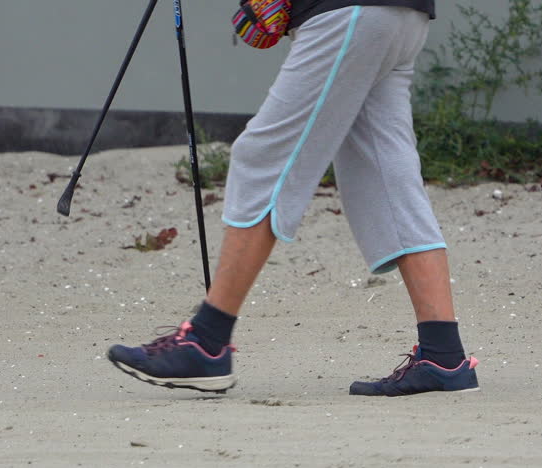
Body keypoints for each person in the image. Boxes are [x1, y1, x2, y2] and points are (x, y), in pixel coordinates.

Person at [108, 0, 478, 397]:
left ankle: (205, 342)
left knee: (262, 158)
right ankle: (443, 355)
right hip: (402, 14)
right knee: (386, 174)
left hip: (347, 12)